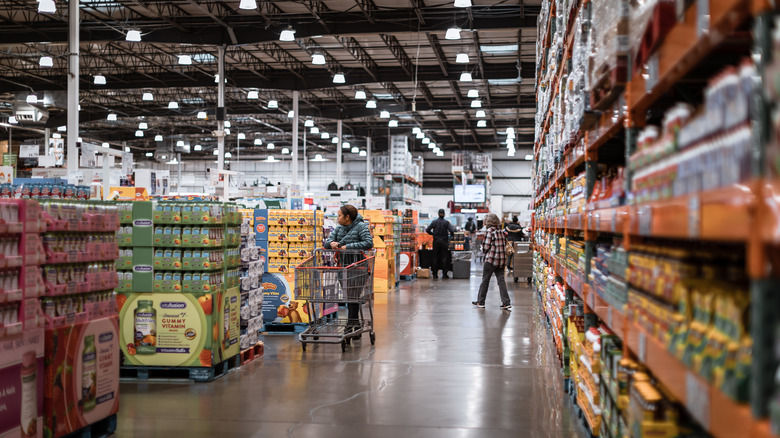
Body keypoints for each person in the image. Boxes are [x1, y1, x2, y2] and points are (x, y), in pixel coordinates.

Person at [323, 204, 374, 331]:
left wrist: (347, 247)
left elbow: (368, 242)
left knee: (353, 295)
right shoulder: (339, 228)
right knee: (350, 296)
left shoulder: (361, 226)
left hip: (358, 266)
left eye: (339, 215)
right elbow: (327, 243)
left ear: (347, 217)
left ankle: (350, 325)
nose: (337, 218)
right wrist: (332, 244)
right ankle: (354, 326)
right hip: (343, 266)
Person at [472, 213, 511, 310]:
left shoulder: (489, 231)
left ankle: (481, 301)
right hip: (501, 260)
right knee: (501, 281)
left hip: (491, 260)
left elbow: (485, 247)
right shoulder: (501, 231)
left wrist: (483, 249)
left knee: (485, 280)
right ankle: (506, 302)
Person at [426, 209, 455, 279]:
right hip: (444, 241)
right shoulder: (446, 222)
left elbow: (427, 230)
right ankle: (444, 274)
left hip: (436, 241)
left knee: (435, 257)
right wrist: (450, 236)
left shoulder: (434, 222)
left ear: (438, 214)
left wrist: (433, 234)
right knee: (444, 257)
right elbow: (452, 230)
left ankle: (435, 274)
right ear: (444, 214)